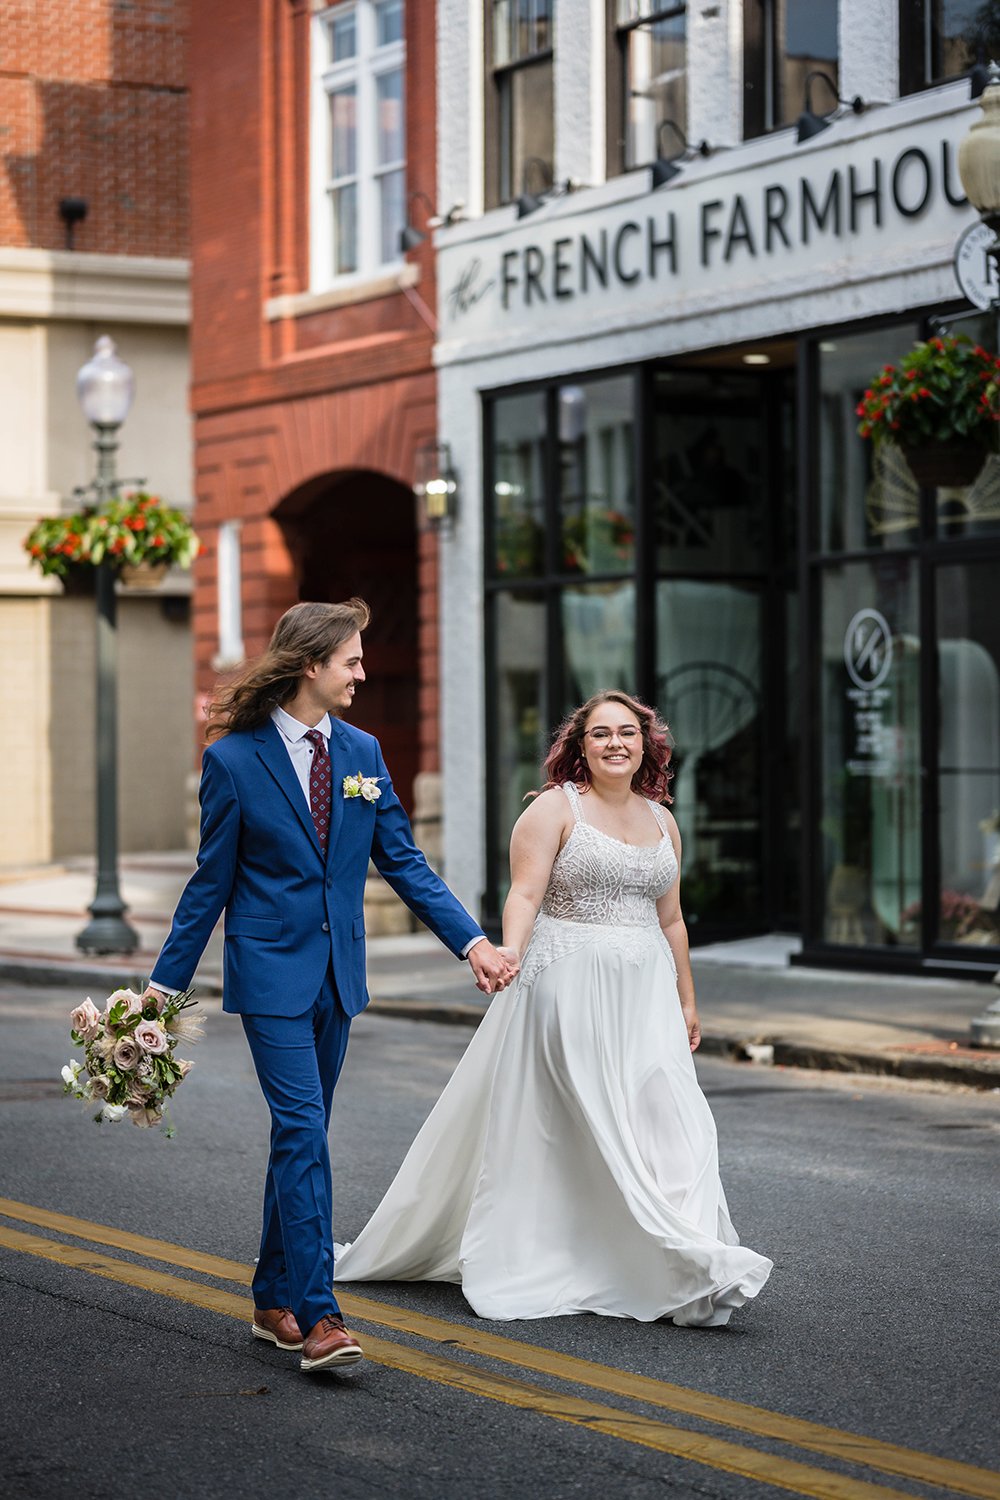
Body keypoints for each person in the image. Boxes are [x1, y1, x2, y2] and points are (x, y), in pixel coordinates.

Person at [143, 600, 514, 1373]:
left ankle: (271, 1294)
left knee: (298, 1140)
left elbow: (404, 862)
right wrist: (160, 995)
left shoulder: (364, 753)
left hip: (339, 975)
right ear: (311, 664)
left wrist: (471, 942)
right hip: (271, 974)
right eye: (351, 659)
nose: (362, 671)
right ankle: (319, 1315)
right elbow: (208, 887)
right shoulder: (235, 760)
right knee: (305, 1130)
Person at [334, 689, 772, 1325]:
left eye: (628, 732)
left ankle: (685, 1254)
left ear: (647, 744)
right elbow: (525, 894)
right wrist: (509, 951)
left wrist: (687, 999)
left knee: (672, 1121)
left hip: (646, 993)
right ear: (581, 745)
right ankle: (594, 1252)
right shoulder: (553, 811)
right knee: (589, 1120)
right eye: (601, 734)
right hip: (567, 984)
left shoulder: (662, 820)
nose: (616, 743)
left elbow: (671, 920)